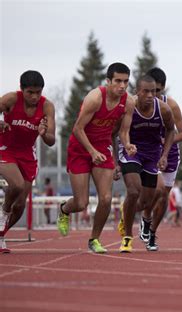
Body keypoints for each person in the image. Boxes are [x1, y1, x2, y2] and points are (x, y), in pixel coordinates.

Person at [56, 62, 137, 254]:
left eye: (126, 81)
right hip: (80, 147)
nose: (122, 86)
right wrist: (91, 151)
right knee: (81, 203)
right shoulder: (95, 98)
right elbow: (77, 129)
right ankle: (65, 209)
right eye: (118, 81)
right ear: (108, 81)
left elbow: (124, 132)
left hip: (103, 146)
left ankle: (94, 239)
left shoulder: (129, 102)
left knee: (106, 198)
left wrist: (127, 145)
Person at [116, 75, 175, 253]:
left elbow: (171, 130)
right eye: (146, 91)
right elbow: (122, 131)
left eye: (153, 91)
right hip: (132, 152)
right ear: (137, 92)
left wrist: (164, 155)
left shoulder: (163, 109)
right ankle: (127, 237)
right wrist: (127, 145)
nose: (150, 95)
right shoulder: (129, 106)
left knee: (147, 200)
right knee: (133, 191)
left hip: (152, 155)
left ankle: (125, 211)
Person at [0, 70, 56, 253]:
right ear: (21, 89)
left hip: (28, 155)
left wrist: (43, 133)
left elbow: (51, 140)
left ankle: (1, 236)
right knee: (15, 185)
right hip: (6, 149)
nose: (34, 96)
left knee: (20, 205)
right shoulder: (11, 100)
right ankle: (2, 214)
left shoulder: (47, 106)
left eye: (38, 92)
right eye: (30, 92)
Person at [137, 67, 182, 251]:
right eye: (150, 91)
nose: (153, 95)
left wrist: (167, 139)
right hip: (150, 153)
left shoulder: (170, 106)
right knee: (155, 191)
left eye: (157, 91)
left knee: (164, 196)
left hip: (171, 154)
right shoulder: (136, 104)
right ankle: (145, 217)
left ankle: (151, 232)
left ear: (163, 89)